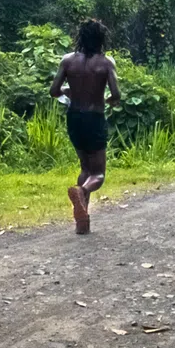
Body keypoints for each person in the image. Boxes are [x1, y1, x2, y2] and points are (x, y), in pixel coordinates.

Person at [50, 18, 121, 234]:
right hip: (95, 118)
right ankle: (81, 192)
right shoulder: (106, 63)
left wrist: (67, 93)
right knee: (98, 173)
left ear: (80, 36)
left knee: (84, 168)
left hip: (74, 118)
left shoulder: (67, 61)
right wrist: (108, 100)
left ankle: (83, 221)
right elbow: (116, 95)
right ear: (101, 39)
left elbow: (54, 90)